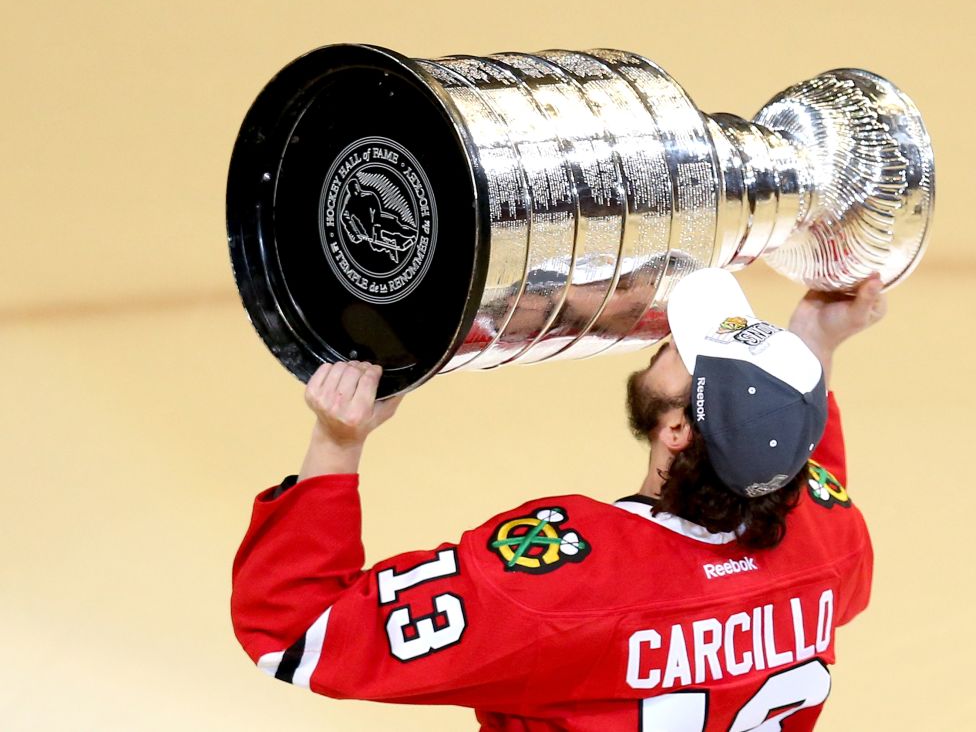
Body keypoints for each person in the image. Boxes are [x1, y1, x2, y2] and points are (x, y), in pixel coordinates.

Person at [231, 268, 887, 731]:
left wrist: (338, 442)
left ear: (677, 431)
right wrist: (815, 341)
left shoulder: (563, 585)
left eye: (692, 350)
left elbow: (293, 630)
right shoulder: (831, 546)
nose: (673, 338)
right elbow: (801, 481)